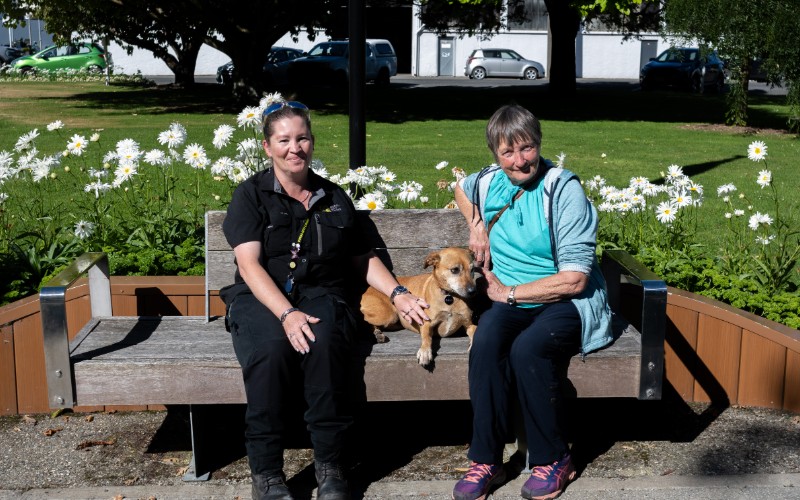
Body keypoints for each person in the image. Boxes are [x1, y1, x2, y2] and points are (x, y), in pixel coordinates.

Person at [221, 99, 430, 500]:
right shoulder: (250, 196)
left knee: (326, 344)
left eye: (302, 138)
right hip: (261, 297)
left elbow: (361, 258)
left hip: (322, 294)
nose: (294, 148)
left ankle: (331, 467)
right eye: (284, 140)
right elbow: (248, 266)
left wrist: (399, 293)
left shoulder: (333, 197)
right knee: (269, 351)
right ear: (267, 147)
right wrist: (286, 314)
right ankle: (266, 473)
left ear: (312, 142)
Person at [451, 104, 613, 500]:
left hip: (563, 302)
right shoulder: (489, 182)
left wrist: (507, 294)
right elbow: (460, 187)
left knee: (528, 349)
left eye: (526, 149)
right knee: (486, 343)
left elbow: (575, 280)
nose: (519, 161)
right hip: (507, 300)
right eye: (507, 153)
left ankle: (554, 458)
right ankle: (486, 459)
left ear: (538, 145)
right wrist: (477, 226)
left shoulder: (563, 189)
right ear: (495, 154)